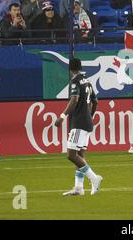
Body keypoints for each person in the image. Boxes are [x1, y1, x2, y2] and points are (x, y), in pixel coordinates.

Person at [54, 57, 102, 196]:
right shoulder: (87, 81)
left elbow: (74, 100)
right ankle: (79, 187)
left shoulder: (75, 81)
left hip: (79, 123)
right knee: (80, 155)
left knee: (71, 154)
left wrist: (62, 117)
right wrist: (90, 116)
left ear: (70, 69)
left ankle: (94, 178)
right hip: (87, 122)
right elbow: (95, 101)